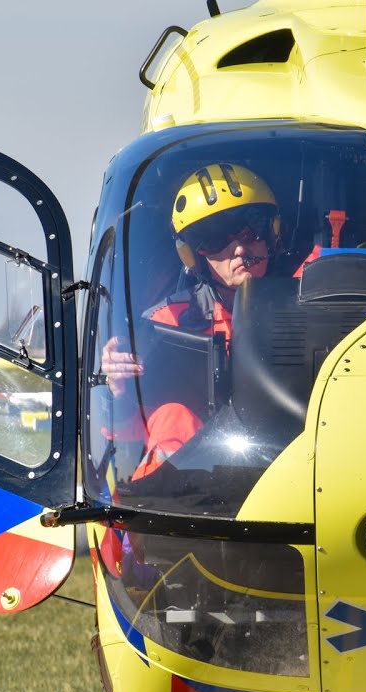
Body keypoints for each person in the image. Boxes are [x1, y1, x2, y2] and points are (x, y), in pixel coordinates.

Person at [100, 163, 281, 480]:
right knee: (173, 418)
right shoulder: (162, 324)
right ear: (192, 255)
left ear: (273, 233)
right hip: (194, 497)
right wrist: (118, 388)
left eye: (252, 229)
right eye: (214, 237)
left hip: (292, 469)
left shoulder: (314, 300)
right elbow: (126, 439)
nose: (239, 248)